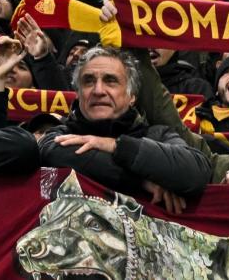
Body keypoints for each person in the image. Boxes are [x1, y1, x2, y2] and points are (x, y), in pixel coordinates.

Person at [39, 47, 212, 215]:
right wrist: (140, 181)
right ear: (78, 93)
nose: (98, 90)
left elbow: (196, 171)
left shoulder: (158, 135)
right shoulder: (59, 135)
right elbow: (51, 153)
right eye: (88, 81)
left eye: (110, 81)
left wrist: (117, 146)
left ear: (132, 97)